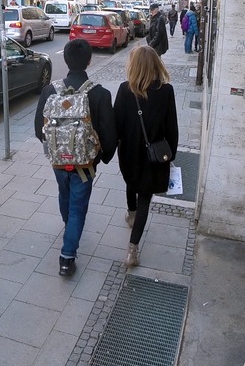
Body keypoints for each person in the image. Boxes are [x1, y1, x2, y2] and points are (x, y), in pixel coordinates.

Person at [34, 39, 117, 277]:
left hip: (58, 161)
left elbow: (38, 128)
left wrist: (57, 148)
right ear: (89, 61)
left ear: (65, 59)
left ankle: (68, 226)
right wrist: (101, 157)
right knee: (78, 207)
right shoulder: (100, 94)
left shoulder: (50, 91)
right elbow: (109, 134)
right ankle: (67, 257)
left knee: (64, 194)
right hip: (85, 164)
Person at [114, 46, 179, 267]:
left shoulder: (125, 90)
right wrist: (170, 155)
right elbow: (172, 128)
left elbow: (117, 126)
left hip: (129, 152)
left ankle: (131, 214)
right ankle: (132, 250)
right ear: (155, 65)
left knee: (131, 182)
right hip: (154, 155)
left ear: (133, 65)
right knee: (145, 197)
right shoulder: (166, 91)